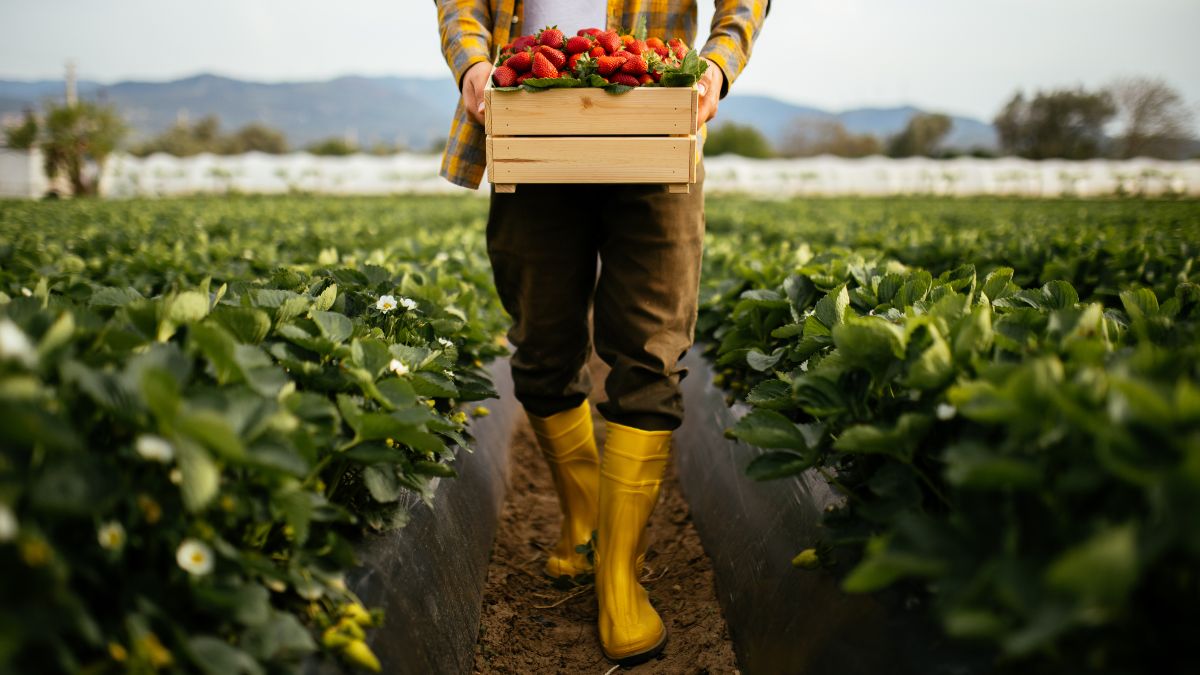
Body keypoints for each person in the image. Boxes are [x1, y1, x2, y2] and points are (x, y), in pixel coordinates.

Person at [435, 0, 768, 664]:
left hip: (654, 115)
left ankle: (619, 574)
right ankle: (583, 518)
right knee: (541, 341)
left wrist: (717, 67)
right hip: (528, 110)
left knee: (651, 348)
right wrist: (473, 61)